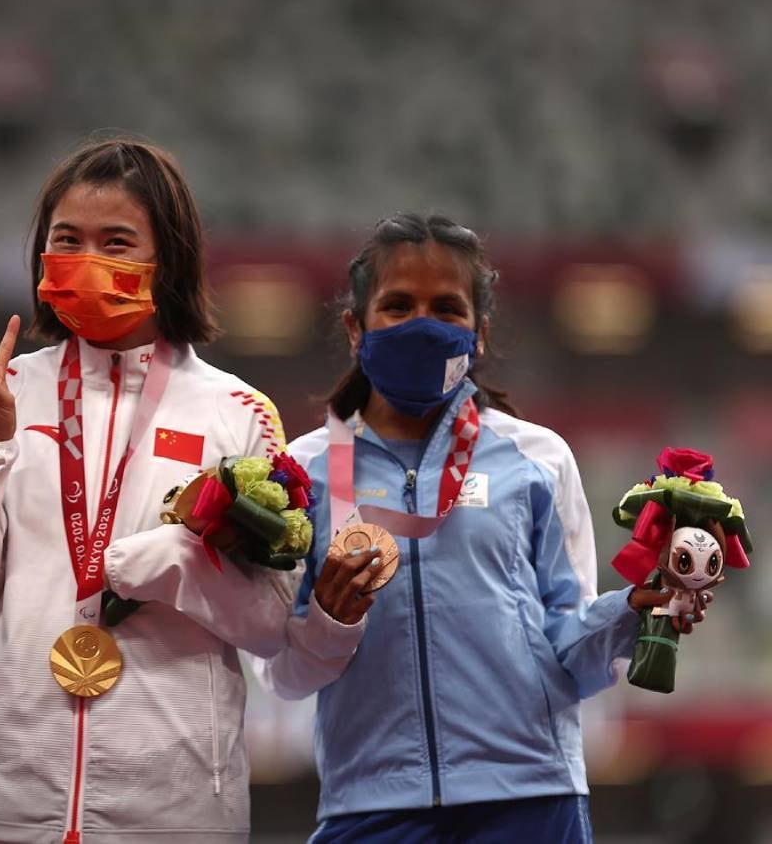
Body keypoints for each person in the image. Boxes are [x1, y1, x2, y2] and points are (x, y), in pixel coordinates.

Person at [253, 213, 705, 843]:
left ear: (479, 333)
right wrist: (328, 619)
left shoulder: (539, 459)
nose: (422, 324)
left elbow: (570, 655)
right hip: (370, 799)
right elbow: (282, 677)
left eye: (446, 308)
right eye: (398, 305)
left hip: (530, 798)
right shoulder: (301, 474)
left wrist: (631, 609)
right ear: (356, 327)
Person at [0, 137, 296, 843]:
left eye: (117, 241)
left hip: (174, 804)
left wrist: (176, 564)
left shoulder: (240, 413)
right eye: (67, 239)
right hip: (3, 799)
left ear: (171, 261)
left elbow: (270, 624)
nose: (87, 258)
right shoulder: (4, 395)